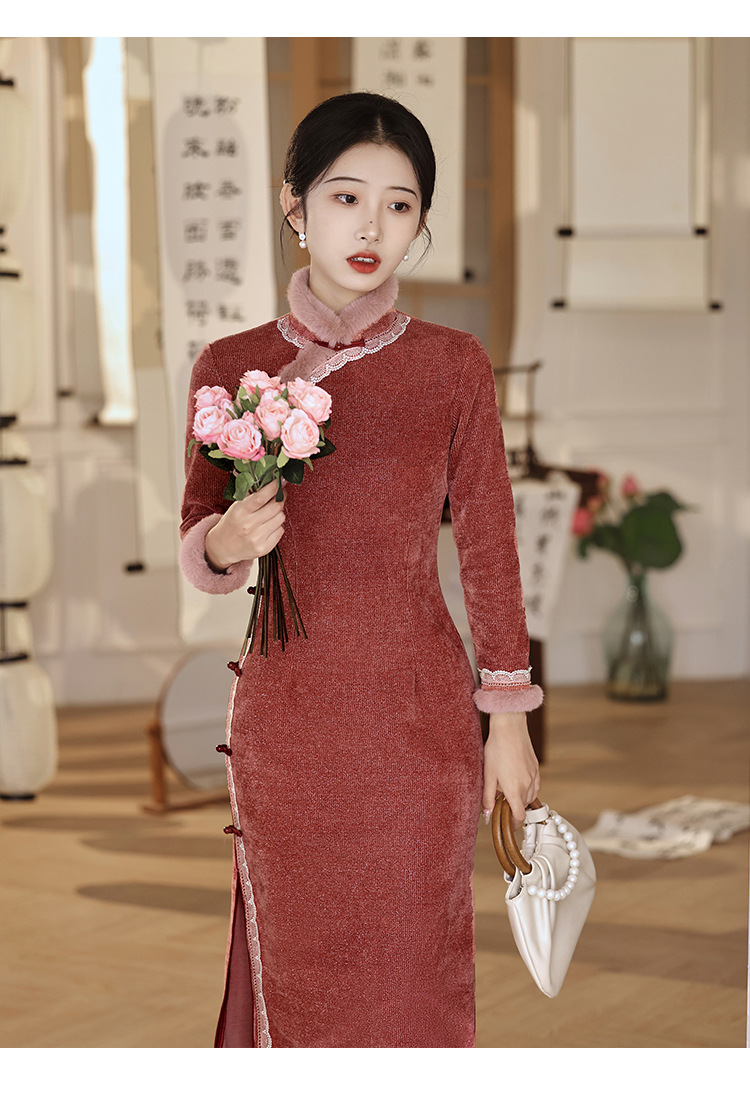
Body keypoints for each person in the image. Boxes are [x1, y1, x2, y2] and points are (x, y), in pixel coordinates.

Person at [179, 92, 543, 1049]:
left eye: (399, 204)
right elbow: (198, 533)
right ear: (294, 204)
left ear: (421, 222)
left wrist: (507, 724)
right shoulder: (232, 365)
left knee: (415, 977)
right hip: (286, 724)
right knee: (301, 973)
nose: (372, 227)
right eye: (346, 198)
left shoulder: (453, 366)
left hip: (417, 723)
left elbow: (490, 551)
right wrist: (228, 541)